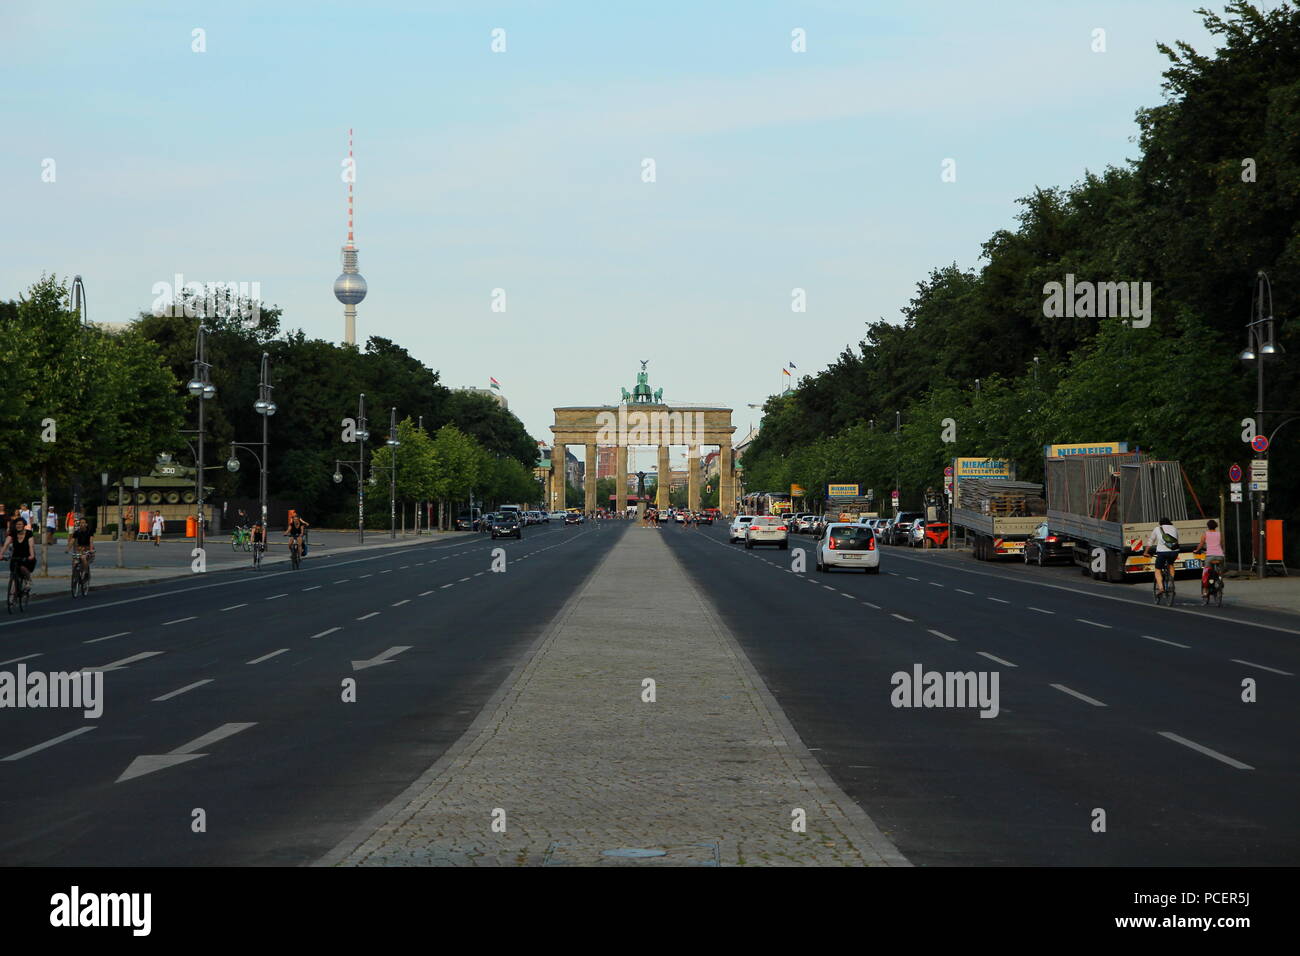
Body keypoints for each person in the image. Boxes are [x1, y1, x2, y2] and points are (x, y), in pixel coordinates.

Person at [1146, 515, 1180, 595]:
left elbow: (1150, 541)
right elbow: (1176, 541)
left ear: (1160, 523)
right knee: (1171, 564)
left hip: (1162, 552)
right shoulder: (1174, 528)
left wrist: (1146, 552)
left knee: (1158, 569)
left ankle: (1161, 588)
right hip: (1174, 551)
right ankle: (1171, 581)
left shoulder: (1157, 529)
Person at [3, 517, 36, 595]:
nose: (18, 526)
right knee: (13, 572)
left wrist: (32, 555)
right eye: (17, 524)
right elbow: (6, 544)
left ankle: (28, 581)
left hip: (27, 557)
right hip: (15, 556)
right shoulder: (13, 533)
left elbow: (31, 546)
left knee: (22, 567)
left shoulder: (29, 533)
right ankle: (14, 592)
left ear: (24, 525)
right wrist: (1, 554)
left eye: (20, 524)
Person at [1197, 519, 1226, 598]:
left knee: (1206, 572)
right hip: (1220, 556)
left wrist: (1197, 550)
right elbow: (1221, 544)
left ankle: (1205, 590)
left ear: (1208, 526)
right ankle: (1220, 580)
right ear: (1216, 526)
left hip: (1210, 556)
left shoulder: (1205, 534)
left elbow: (1201, 544)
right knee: (1220, 570)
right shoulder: (1219, 534)